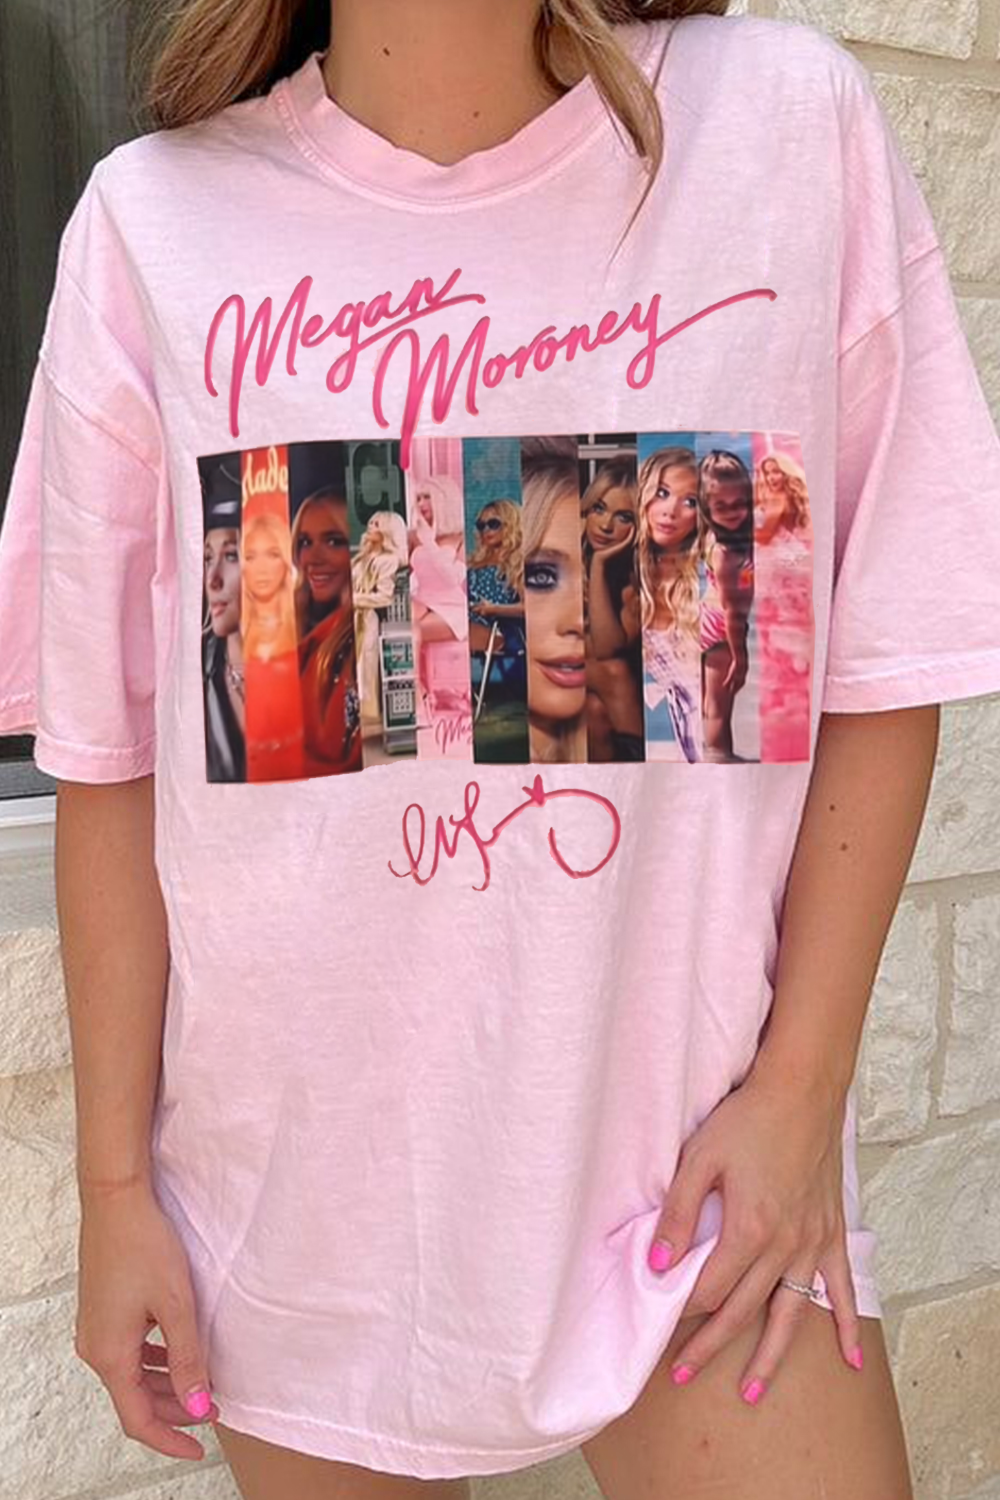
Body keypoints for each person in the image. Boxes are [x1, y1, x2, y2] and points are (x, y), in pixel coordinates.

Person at [0, 2, 999, 1499]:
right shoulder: (153, 227)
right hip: (302, 1225)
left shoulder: (785, 131)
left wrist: (802, 1089)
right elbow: (111, 766)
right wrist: (114, 1186)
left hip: (705, 1186)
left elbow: (881, 655)